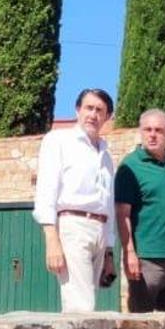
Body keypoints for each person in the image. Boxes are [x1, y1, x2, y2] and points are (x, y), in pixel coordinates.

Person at [33, 88, 117, 313]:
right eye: (89, 108)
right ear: (77, 110)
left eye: (100, 110)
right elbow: (46, 190)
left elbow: (107, 204)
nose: (93, 114)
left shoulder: (106, 156)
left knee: (89, 297)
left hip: (99, 228)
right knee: (80, 304)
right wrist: (52, 239)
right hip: (72, 225)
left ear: (107, 116)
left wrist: (109, 252)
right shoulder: (59, 141)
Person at [115, 109, 165, 311]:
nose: (152, 134)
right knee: (141, 327)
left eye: (158, 130)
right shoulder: (130, 166)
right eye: (147, 129)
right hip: (146, 260)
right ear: (141, 132)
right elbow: (122, 213)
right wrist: (129, 252)